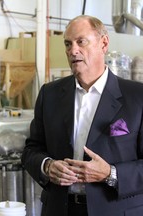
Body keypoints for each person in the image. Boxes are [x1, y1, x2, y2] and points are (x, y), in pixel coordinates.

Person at [21, 14, 143, 216]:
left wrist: (109, 174)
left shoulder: (137, 97)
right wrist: (47, 166)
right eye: (68, 44)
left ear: (103, 44)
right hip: (59, 209)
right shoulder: (49, 94)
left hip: (114, 210)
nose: (73, 51)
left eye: (81, 42)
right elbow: (31, 150)